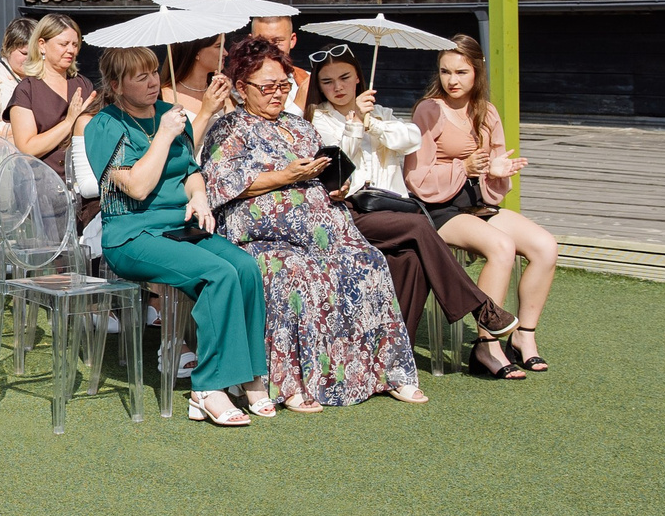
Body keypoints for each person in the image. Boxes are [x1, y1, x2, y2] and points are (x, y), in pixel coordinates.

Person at [199, 37, 424, 411]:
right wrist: (284, 176)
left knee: (366, 262)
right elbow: (221, 183)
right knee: (295, 271)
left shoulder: (299, 126)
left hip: (325, 225)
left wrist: (338, 185)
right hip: (263, 235)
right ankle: (291, 383)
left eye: (283, 86)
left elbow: (323, 171)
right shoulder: (229, 127)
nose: (277, 94)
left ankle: (384, 373)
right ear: (241, 88)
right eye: (267, 87)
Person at [82, 45, 270, 427]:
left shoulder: (170, 113)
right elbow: (135, 186)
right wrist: (164, 136)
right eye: (141, 77)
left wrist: (199, 196)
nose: (153, 82)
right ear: (116, 86)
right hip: (132, 236)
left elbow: (191, 171)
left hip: (177, 226)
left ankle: (248, 373)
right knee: (216, 275)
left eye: (154, 73)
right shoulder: (102, 125)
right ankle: (207, 388)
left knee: (245, 267)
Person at [309, 50, 523, 380]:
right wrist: (353, 127)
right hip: (348, 211)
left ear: (359, 79)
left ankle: (396, 357)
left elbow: (410, 139)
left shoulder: (380, 112)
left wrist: (370, 122)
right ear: (319, 88)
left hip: (392, 209)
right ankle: (480, 307)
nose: (337, 87)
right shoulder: (319, 119)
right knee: (420, 226)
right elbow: (339, 165)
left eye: (344, 78)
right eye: (327, 82)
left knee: (413, 258)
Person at [407, 36, 560, 372]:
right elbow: (415, 178)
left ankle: (524, 336)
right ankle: (486, 345)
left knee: (546, 246)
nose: (452, 80)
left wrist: (496, 171)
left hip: (478, 203)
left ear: (477, 71)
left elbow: (493, 179)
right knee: (501, 246)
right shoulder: (429, 110)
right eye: (445, 71)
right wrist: (464, 167)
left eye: (461, 72)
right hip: (438, 208)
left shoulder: (486, 111)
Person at [5, 15, 101, 227]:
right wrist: (69, 122)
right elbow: (27, 147)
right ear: (42, 45)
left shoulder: (83, 84)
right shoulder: (27, 90)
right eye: (63, 44)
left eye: (75, 44)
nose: (71, 50)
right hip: (45, 193)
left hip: (87, 190)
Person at [247, 13, 312, 116]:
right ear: (250, 42)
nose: (270, 49)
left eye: (277, 42)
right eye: (262, 42)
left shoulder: (308, 79)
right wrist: (298, 106)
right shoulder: (241, 87)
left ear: (292, 40)